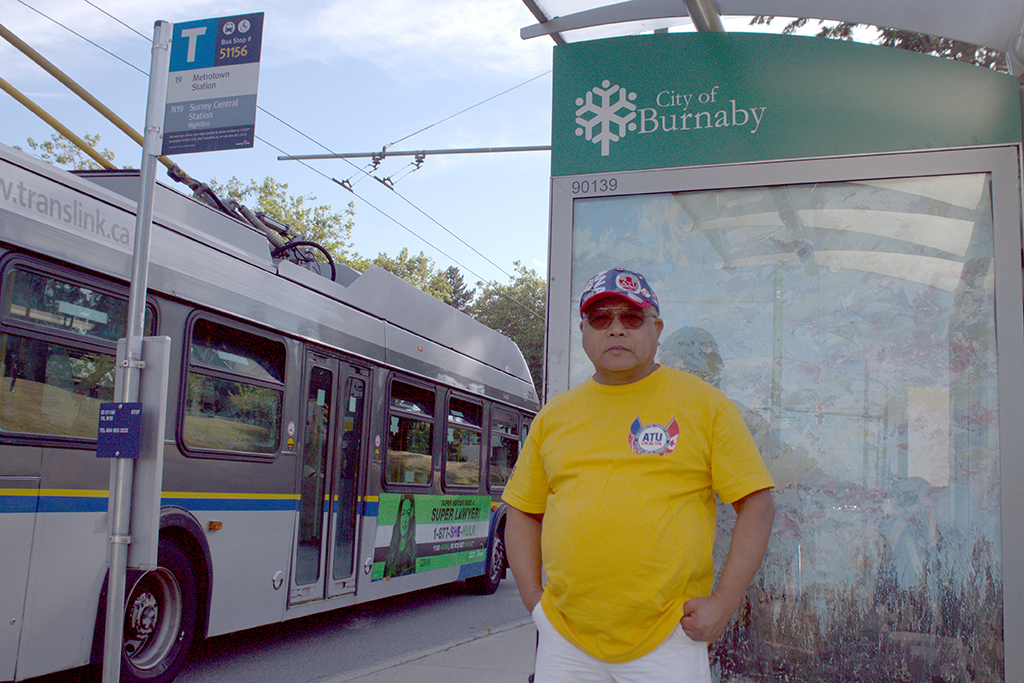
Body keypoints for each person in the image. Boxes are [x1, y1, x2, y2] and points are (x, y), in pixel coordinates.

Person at [503, 267, 775, 683]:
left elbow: (757, 504)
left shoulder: (706, 406)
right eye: (601, 319)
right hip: (566, 640)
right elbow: (522, 511)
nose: (615, 330)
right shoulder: (553, 417)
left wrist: (724, 602)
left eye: (631, 318)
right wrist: (533, 602)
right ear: (583, 332)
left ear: (656, 328)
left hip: (669, 636)